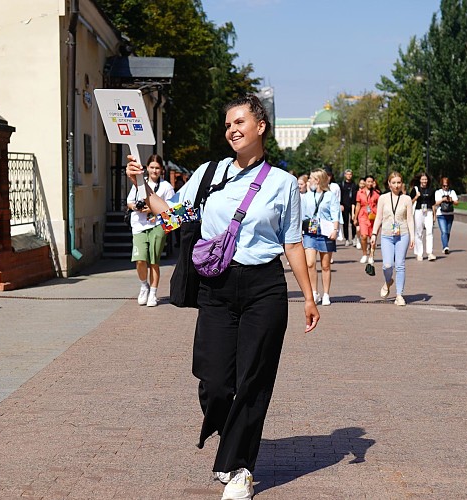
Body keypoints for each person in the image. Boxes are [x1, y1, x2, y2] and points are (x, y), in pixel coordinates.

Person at [125, 94, 319, 500]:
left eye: (240, 121)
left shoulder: (283, 184)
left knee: (254, 379)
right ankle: (227, 432)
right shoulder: (209, 173)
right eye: (228, 123)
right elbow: (176, 216)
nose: (232, 129)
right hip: (216, 286)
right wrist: (142, 186)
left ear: (261, 126)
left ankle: (239, 469)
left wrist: (309, 296)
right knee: (214, 381)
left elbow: (294, 243)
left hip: (264, 287)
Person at [126, 154, 175, 307]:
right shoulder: (140, 182)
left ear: (162, 170)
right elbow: (129, 202)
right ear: (147, 168)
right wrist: (137, 207)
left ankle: (153, 292)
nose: (154, 170)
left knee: (154, 260)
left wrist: (152, 209)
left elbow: (171, 210)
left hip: (157, 226)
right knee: (140, 259)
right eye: (152, 167)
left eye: (157, 168)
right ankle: (144, 286)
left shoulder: (166, 187)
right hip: (139, 225)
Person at [371, 171, 414, 305]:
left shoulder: (406, 199)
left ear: (402, 184)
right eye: (394, 182)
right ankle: (388, 280)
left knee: (400, 265)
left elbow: (410, 219)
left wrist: (412, 237)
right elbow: (378, 217)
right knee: (387, 265)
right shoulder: (383, 198)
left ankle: (399, 295)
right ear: (389, 184)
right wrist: (374, 234)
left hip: (403, 234)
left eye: (399, 182)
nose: (396, 185)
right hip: (387, 235)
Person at [302, 169, 341, 306]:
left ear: (318, 180)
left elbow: (335, 214)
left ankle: (326, 293)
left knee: (325, 265)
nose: (309, 181)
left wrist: (335, 230)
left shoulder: (330, 196)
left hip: (325, 231)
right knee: (310, 263)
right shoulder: (306, 196)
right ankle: (314, 292)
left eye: (311, 178)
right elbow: (302, 214)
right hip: (310, 232)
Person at [409, 172, 437, 261]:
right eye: (422, 179)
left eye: (425, 179)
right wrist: (416, 197)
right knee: (419, 232)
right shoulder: (415, 189)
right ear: (420, 180)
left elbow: (433, 203)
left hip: (428, 212)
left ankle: (430, 253)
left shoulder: (431, 190)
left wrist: (434, 215)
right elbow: (410, 202)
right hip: (418, 211)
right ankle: (419, 253)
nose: (424, 181)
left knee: (429, 231)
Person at [354, 175, 380, 264]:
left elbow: (379, 206)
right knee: (364, 236)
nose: (369, 183)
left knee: (373, 237)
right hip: (363, 215)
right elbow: (358, 205)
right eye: (368, 181)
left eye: (371, 182)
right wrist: (355, 217)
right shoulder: (360, 193)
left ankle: (371, 255)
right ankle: (364, 254)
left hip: (373, 216)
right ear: (365, 182)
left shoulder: (376, 194)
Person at [435, 176, 459, 254]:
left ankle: (445, 245)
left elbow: (457, 203)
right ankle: (445, 246)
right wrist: (443, 199)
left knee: (448, 232)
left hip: (450, 214)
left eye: (447, 185)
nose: (445, 187)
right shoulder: (438, 192)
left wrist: (451, 199)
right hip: (441, 214)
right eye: (444, 185)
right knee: (444, 231)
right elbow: (435, 203)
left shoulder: (452, 192)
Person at [339, 169, 358, 246]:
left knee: (353, 222)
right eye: (347, 174)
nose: (349, 176)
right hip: (344, 205)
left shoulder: (354, 185)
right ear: (345, 175)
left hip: (352, 205)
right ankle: (347, 238)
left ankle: (353, 237)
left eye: (350, 174)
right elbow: (340, 195)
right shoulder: (342, 185)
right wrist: (340, 204)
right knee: (345, 223)